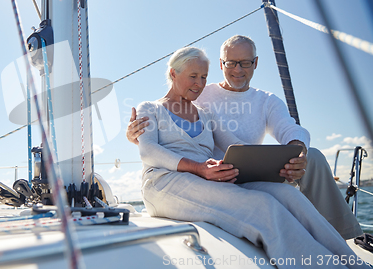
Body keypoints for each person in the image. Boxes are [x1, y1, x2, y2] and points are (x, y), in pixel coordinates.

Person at [136, 46, 368, 268]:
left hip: (206, 178)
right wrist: (199, 168)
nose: (199, 84)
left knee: (289, 195)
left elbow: (236, 145)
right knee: (263, 206)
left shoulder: (205, 113)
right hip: (164, 182)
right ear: (173, 73)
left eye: (204, 77)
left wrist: (271, 162)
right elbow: (148, 151)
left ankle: (353, 263)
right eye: (193, 76)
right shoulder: (150, 108)